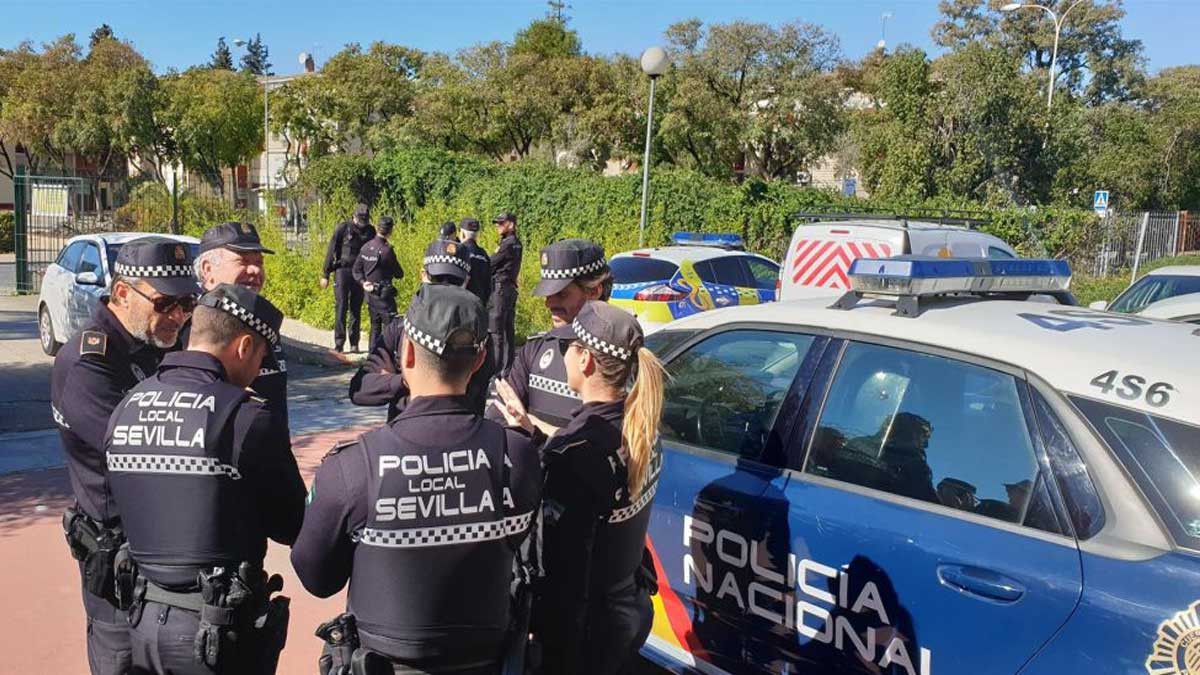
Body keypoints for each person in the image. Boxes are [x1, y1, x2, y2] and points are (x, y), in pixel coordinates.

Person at [293, 283, 541, 675]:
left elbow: (316, 577)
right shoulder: (518, 454)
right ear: (479, 361)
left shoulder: (353, 467)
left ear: (407, 353)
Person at [105, 284, 305, 674]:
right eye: (260, 357)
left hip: (142, 622)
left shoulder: (128, 405)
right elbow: (292, 523)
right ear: (244, 347)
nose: (257, 371)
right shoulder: (246, 419)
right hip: (217, 633)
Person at [52, 238, 199, 675]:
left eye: (187, 302)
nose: (178, 316)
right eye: (165, 303)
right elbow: (139, 452)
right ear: (121, 294)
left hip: (170, 557)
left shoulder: (163, 343)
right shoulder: (88, 361)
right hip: (118, 560)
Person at [496, 300, 665, 675]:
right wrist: (534, 433)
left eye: (570, 347)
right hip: (625, 613)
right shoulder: (642, 430)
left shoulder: (576, 455)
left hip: (581, 636)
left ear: (585, 361)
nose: (564, 354)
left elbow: (553, 562)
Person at [349, 240, 494, 419]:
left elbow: (474, 392)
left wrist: (409, 377)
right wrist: (405, 380)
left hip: (461, 434)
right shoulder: (401, 328)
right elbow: (360, 390)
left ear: (466, 281)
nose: (445, 287)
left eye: (454, 281)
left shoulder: (477, 333)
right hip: (404, 434)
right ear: (423, 275)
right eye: (438, 280)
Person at [486, 239, 611, 430]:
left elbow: (606, 440)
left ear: (594, 291)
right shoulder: (536, 349)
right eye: (548, 294)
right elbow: (498, 418)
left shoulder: (615, 357)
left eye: (561, 294)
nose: (549, 304)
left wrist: (533, 426)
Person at [191, 220, 290, 426]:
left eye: (259, 262)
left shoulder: (262, 320)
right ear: (208, 270)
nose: (254, 270)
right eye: (243, 261)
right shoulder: (194, 326)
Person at [322, 203, 376, 352]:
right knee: (341, 306)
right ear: (354, 216)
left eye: (365, 220)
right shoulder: (343, 228)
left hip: (360, 274)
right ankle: (339, 344)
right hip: (342, 271)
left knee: (356, 308)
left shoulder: (370, 231)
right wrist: (325, 274)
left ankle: (354, 343)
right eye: (361, 219)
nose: (363, 223)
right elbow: (331, 249)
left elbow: (374, 251)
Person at [353, 215, 404, 353]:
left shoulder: (366, 247)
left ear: (376, 228)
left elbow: (356, 270)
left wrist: (364, 283)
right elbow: (399, 273)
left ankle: (372, 356)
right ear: (391, 231)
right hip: (384, 297)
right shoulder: (387, 250)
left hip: (370, 296)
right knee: (391, 329)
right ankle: (389, 358)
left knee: (374, 326)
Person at [488, 212, 523, 377]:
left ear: (511, 224)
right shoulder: (517, 243)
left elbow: (491, 264)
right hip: (510, 288)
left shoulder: (507, 245)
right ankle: (507, 370)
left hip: (500, 289)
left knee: (497, 331)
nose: (498, 226)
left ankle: (496, 371)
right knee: (508, 330)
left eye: (501, 223)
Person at [458, 217, 492, 308]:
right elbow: (489, 283)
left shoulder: (459, 251)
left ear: (463, 234)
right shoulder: (484, 255)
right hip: (479, 304)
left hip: (462, 303)